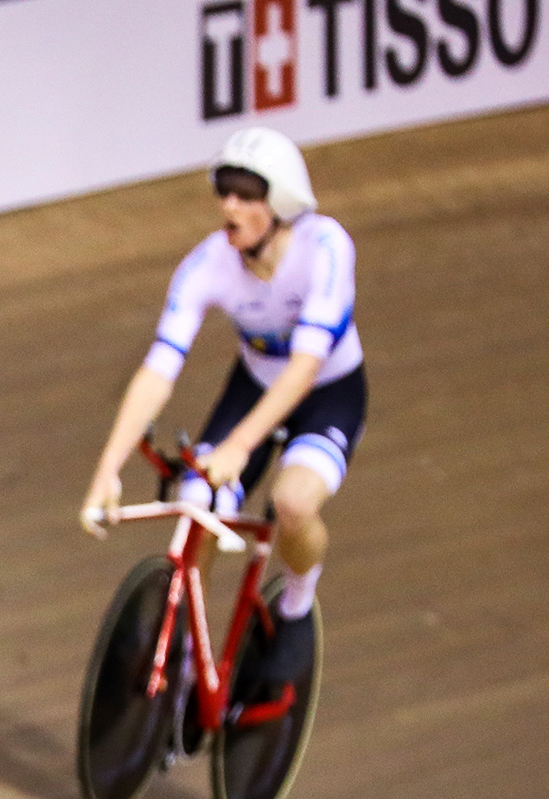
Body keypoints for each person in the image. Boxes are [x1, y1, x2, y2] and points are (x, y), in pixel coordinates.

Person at [81, 126, 363, 697]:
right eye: (222, 189)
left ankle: (296, 607)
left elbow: (305, 370)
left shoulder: (326, 249)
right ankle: (188, 659)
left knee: (292, 502)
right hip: (253, 389)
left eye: (245, 192)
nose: (228, 204)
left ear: (280, 202)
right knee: (196, 504)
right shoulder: (207, 264)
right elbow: (158, 371)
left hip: (328, 391)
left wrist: (239, 446)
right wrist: (106, 470)